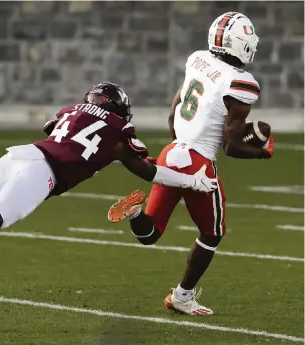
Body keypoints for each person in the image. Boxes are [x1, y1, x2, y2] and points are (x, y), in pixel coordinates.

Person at [0, 82, 218, 314]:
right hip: (45, 172)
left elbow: (54, 129)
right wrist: (193, 181)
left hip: (16, 156)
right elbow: (150, 171)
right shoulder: (119, 131)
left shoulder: (71, 109)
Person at [107, 13, 274, 316]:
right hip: (198, 165)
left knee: (151, 233)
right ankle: (182, 296)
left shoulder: (198, 60)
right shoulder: (242, 83)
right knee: (212, 233)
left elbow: (173, 114)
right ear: (241, 45)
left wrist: (179, 148)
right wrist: (263, 152)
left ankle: (134, 213)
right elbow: (232, 146)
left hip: (171, 152)